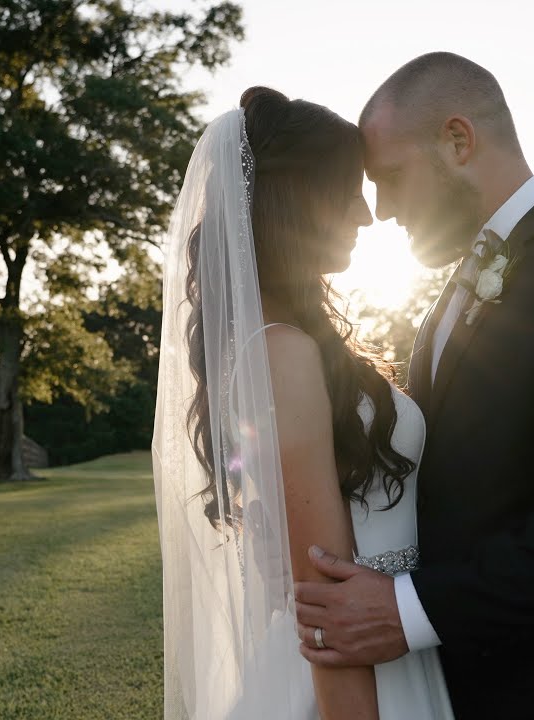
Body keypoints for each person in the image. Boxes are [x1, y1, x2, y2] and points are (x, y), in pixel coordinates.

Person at [292, 52, 534, 719]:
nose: (382, 210)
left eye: (390, 178)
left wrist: (411, 611)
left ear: (457, 140)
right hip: (474, 687)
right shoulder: (451, 293)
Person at [152, 86, 454, 719]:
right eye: (348, 191)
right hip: (358, 678)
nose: (365, 215)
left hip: (393, 646)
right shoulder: (281, 352)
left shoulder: (287, 341)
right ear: (298, 201)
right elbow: (324, 593)